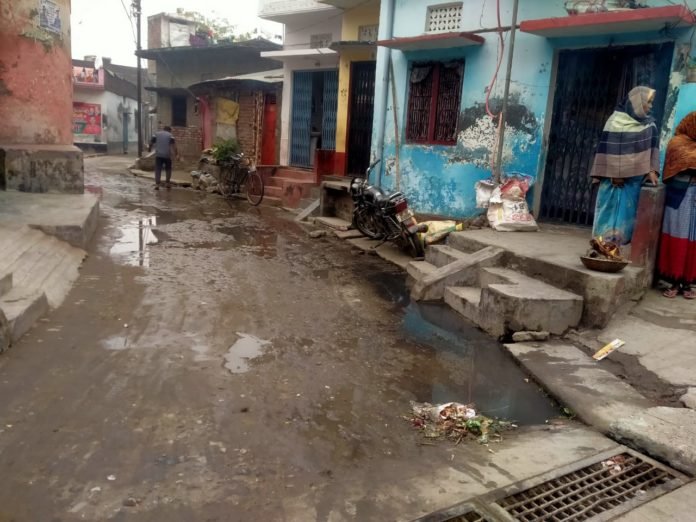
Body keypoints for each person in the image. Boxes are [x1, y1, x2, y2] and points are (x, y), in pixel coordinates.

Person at [590, 86, 660, 246]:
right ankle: (600, 246)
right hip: (611, 180)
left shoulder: (650, 125)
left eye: (651, 102)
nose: (650, 106)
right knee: (607, 212)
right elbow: (607, 149)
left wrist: (652, 170)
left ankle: (618, 248)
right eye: (648, 102)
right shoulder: (614, 121)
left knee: (626, 215)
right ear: (636, 101)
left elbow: (652, 151)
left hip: (633, 182)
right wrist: (616, 173)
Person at [658, 111, 696, 298]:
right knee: (676, 237)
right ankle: (672, 281)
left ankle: (687, 283)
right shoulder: (677, 143)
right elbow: (676, 168)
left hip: (694, 201)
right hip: (679, 199)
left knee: (692, 240)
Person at [149, 126, 180, 190]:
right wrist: (176, 154)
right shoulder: (170, 135)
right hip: (167, 155)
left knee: (158, 169)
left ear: (163, 129)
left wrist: (149, 148)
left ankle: (157, 184)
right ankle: (167, 183)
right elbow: (174, 146)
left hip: (158, 155)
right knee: (168, 169)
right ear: (169, 130)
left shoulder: (156, 134)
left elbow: (151, 142)